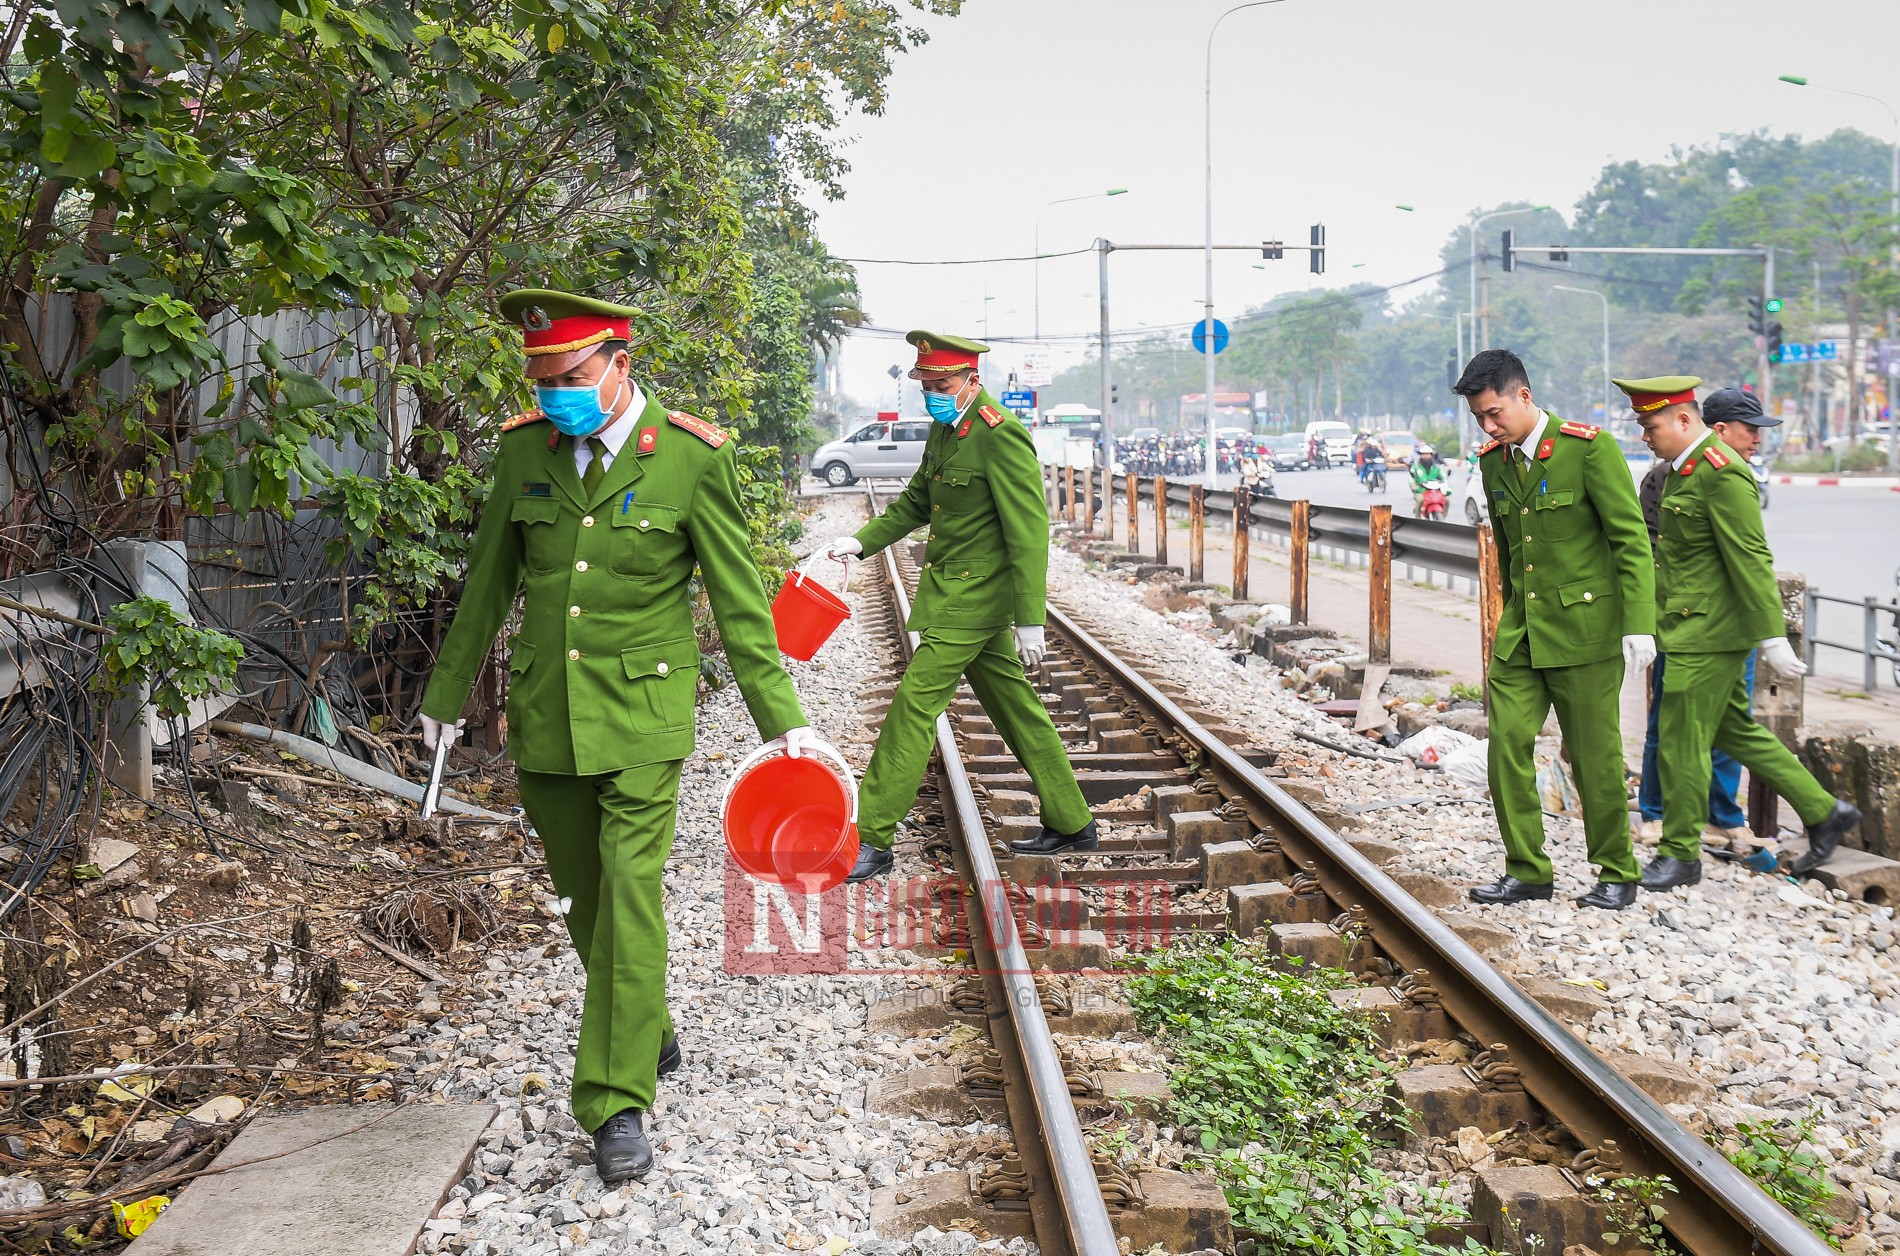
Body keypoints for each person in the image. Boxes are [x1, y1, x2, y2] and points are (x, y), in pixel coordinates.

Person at [417, 289, 815, 1185]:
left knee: (632, 897)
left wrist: (784, 729)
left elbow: (741, 607)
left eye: (569, 376)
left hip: (644, 721)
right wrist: (446, 695)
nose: (554, 392)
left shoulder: (688, 459)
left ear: (619, 364)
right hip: (548, 720)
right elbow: (488, 584)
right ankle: (646, 1024)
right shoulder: (526, 452)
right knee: (585, 902)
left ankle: (615, 1100)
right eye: (542, 378)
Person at [822, 332, 1095, 881]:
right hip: (958, 594)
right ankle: (1071, 819)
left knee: (914, 706)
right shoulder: (949, 431)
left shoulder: (1001, 435)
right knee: (1013, 704)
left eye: (941, 385)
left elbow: (1028, 530)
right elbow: (919, 501)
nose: (931, 396)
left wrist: (1030, 618)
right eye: (925, 386)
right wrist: (861, 541)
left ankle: (871, 835)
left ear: (973, 379)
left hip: (974, 599)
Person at [1618, 375, 1861, 889]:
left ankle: (1680, 853)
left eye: (1651, 424)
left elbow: (1751, 558)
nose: (1644, 434)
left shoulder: (1721, 472)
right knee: (1731, 729)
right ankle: (1825, 810)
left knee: (1682, 739)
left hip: (1708, 633)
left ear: (1685, 420)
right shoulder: (1683, 470)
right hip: (1689, 627)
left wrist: (1772, 636)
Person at [1453, 350, 1653, 910]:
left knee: (1593, 756)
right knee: (1505, 747)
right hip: (1523, 632)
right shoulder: (1495, 463)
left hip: (1587, 633)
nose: (1490, 426)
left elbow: (1631, 541)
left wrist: (1639, 624)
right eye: (1480, 419)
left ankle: (1617, 869)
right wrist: (1511, 620)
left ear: (1524, 395)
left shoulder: (1588, 449)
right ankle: (1528, 870)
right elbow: (1513, 555)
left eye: (1495, 413)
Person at [1632, 388, 1774, 865]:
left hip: (1732, 625)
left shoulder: (1734, 477)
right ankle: (1658, 815)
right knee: (1668, 722)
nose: (1756, 439)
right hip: (1684, 625)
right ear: (1717, 429)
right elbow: (1650, 555)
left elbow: (1746, 555)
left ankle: (1723, 817)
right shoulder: (1662, 480)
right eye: (1749, 428)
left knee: (1728, 725)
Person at [1409, 444, 1450, 515]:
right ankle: (1417, 518)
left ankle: (1443, 518)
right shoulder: (1415, 467)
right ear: (1421, 455)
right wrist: (1412, 484)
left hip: (1435, 490)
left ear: (1431, 455)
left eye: (1428, 454)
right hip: (1421, 490)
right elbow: (1411, 477)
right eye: (1424, 454)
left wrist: (1445, 484)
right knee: (1420, 500)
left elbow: (1443, 476)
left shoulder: (1436, 467)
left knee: (1446, 501)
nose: (1426, 456)